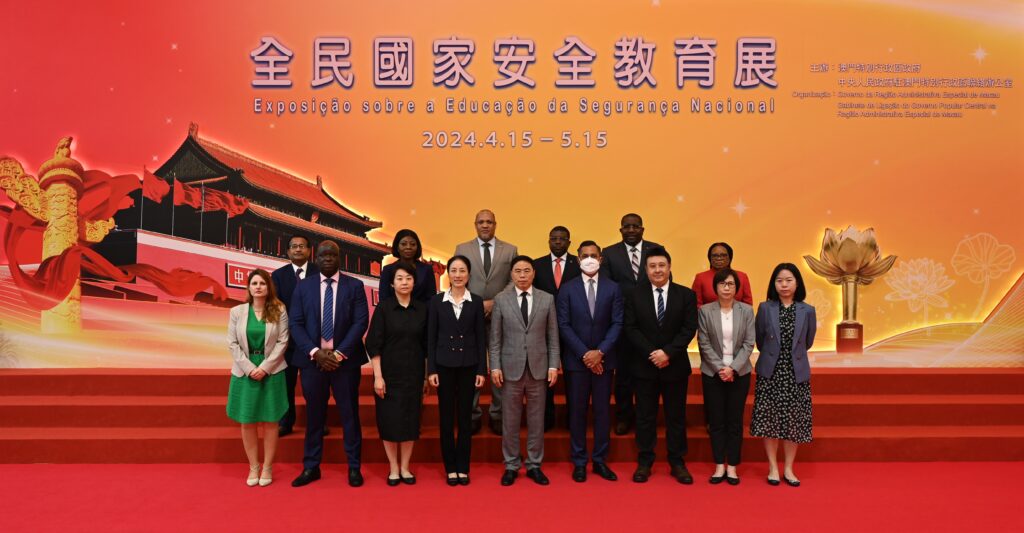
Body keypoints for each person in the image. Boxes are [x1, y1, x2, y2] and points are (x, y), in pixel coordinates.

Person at [289, 241, 369, 488]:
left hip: (345, 363)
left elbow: (360, 322)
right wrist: (316, 353)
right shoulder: (303, 287)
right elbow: (295, 323)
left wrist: (338, 354)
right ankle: (311, 466)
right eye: (323, 255)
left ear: (339, 258)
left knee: (349, 415)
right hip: (312, 363)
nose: (327, 259)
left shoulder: (355, 286)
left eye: (332, 255)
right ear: (316, 258)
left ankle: (354, 467)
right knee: (314, 416)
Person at [623, 246, 698, 484]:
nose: (657, 270)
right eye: (652, 266)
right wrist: (652, 353)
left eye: (661, 265)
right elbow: (630, 328)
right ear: (646, 269)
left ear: (669, 267)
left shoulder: (686, 295)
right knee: (645, 417)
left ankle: (677, 462)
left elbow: (689, 328)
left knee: (676, 417)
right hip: (644, 366)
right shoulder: (634, 295)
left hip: (675, 366)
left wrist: (668, 353)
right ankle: (645, 461)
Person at [490, 255, 560, 486]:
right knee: (510, 421)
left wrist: (553, 365)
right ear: (511, 274)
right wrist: (495, 366)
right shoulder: (501, 300)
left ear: (533, 273)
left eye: (526, 271)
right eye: (518, 271)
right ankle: (511, 465)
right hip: (510, 368)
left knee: (536, 420)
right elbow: (495, 339)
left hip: (539, 368)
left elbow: (553, 337)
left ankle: (534, 465)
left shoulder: (546, 299)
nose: (522, 275)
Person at [556, 241, 622, 483]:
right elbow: (563, 325)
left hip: (605, 360)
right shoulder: (567, 289)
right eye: (585, 255)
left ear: (601, 259)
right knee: (577, 412)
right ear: (577, 259)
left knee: (602, 412)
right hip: (577, 362)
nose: (590, 259)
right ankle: (579, 461)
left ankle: (601, 460)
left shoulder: (613, 288)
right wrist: (586, 354)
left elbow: (617, 322)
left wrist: (600, 352)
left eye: (594, 255)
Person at [751, 263, 817, 487]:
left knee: (793, 423)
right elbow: (760, 340)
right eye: (779, 281)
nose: (784, 285)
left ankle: (788, 468)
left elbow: (808, 341)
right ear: (774, 284)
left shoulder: (807, 310)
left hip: (795, 374)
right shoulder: (765, 308)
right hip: (771, 373)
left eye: (789, 280)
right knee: (769, 421)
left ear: (797, 283)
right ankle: (772, 467)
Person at [453, 209, 519, 435]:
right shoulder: (462, 249)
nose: (485, 225)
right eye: (481, 222)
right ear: (475, 224)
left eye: (489, 222)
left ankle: (498, 414)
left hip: (501, 315)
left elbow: (515, 280)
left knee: (500, 366)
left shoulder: (510, 250)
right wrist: (476, 304)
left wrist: (494, 302)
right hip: (470, 316)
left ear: (495, 224)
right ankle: (471, 414)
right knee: (471, 365)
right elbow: (458, 278)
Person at [427, 256, 487, 486]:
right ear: (448, 274)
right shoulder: (436, 301)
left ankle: (463, 467)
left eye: (462, 270)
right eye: (453, 270)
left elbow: (480, 338)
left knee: (465, 418)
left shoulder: (476, 301)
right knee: (446, 418)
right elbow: (431, 338)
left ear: (469, 274)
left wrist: (481, 370)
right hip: (443, 366)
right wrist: (431, 369)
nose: (458, 275)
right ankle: (450, 468)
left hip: (468, 366)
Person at [366, 262, 428, 486]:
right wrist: (378, 377)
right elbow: (373, 344)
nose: (404, 282)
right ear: (392, 283)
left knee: (411, 422)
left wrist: (425, 376)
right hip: (388, 375)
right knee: (389, 422)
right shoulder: (384, 308)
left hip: (414, 374)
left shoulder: (422, 309)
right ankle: (393, 467)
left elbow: (427, 346)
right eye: (399, 278)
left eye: (408, 278)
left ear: (414, 282)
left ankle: (405, 467)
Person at [226, 269, 290, 486]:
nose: (258, 287)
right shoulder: (237, 311)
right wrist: (249, 368)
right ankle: (253, 466)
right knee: (248, 421)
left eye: (262, 283)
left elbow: (283, 341)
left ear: (268, 287)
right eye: (254, 283)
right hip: (244, 371)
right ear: (248, 287)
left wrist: (264, 368)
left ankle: (268, 467)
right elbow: (232, 343)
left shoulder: (279, 310)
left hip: (272, 371)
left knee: (271, 421)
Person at [602, 213, 662, 435]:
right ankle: (624, 416)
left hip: (651, 324)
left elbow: (664, 282)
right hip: (623, 324)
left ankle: (647, 418)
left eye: (635, 226)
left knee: (648, 374)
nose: (631, 230)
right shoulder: (609, 253)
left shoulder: (656, 250)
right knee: (624, 375)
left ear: (642, 229)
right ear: (620, 230)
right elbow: (607, 288)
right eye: (626, 226)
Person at [697, 268, 755, 485]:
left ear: (736, 287)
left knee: (734, 421)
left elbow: (749, 343)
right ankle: (719, 464)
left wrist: (733, 368)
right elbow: (703, 342)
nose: (727, 288)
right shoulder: (705, 311)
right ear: (716, 287)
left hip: (740, 373)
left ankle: (732, 466)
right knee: (716, 420)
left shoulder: (746, 311)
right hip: (713, 373)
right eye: (722, 284)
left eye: (731, 284)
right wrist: (721, 368)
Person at [270, 234, 325, 438]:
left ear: (309, 251)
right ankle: (285, 422)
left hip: (315, 341)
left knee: (315, 386)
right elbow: (274, 307)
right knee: (286, 384)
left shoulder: (320, 273)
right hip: (288, 341)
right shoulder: (278, 276)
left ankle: (318, 423)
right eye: (294, 246)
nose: (298, 249)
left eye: (302, 246)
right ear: (288, 251)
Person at [532, 225, 580, 431]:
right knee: (545, 379)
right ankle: (547, 419)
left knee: (573, 378)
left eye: (562, 239)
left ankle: (572, 419)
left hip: (573, 330)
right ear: (548, 241)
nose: (558, 242)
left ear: (569, 242)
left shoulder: (578, 264)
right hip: (543, 330)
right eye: (554, 238)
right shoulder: (537, 265)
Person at [379, 228, 438, 304]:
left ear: (417, 247)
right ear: (397, 247)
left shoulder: (427, 269)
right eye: (403, 244)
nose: (408, 247)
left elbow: (431, 299)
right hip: (394, 311)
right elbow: (384, 299)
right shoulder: (388, 270)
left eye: (412, 244)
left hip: (421, 311)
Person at [691, 242, 754, 307]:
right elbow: (696, 305)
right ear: (709, 258)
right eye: (715, 255)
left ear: (730, 257)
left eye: (723, 255)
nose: (719, 258)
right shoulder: (700, 277)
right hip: (707, 313)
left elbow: (747, 304)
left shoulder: (742, 276)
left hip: (738, 313)